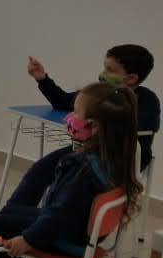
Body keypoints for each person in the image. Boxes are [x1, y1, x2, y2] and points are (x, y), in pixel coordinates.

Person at [0, 83, 142, 258]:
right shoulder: (114, 157)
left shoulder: (80, 169)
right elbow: (61, 209)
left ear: (94, 127)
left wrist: (28, 239)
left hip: (66, 237)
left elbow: (58, 215)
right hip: (84, 234)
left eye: (75, 112)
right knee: (10, 215)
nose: (69, 117)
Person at [27, 44, 157, 169]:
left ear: (131, 78)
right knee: (42, 168)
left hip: (125, 161)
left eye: (110, 70)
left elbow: (132, 127)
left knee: (67, 170)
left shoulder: (147, 100)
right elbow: (62, 102)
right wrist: (42, 78)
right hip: (91, 152)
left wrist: (90, 123)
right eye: (104, 68)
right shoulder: (99, 92)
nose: (101, 74)